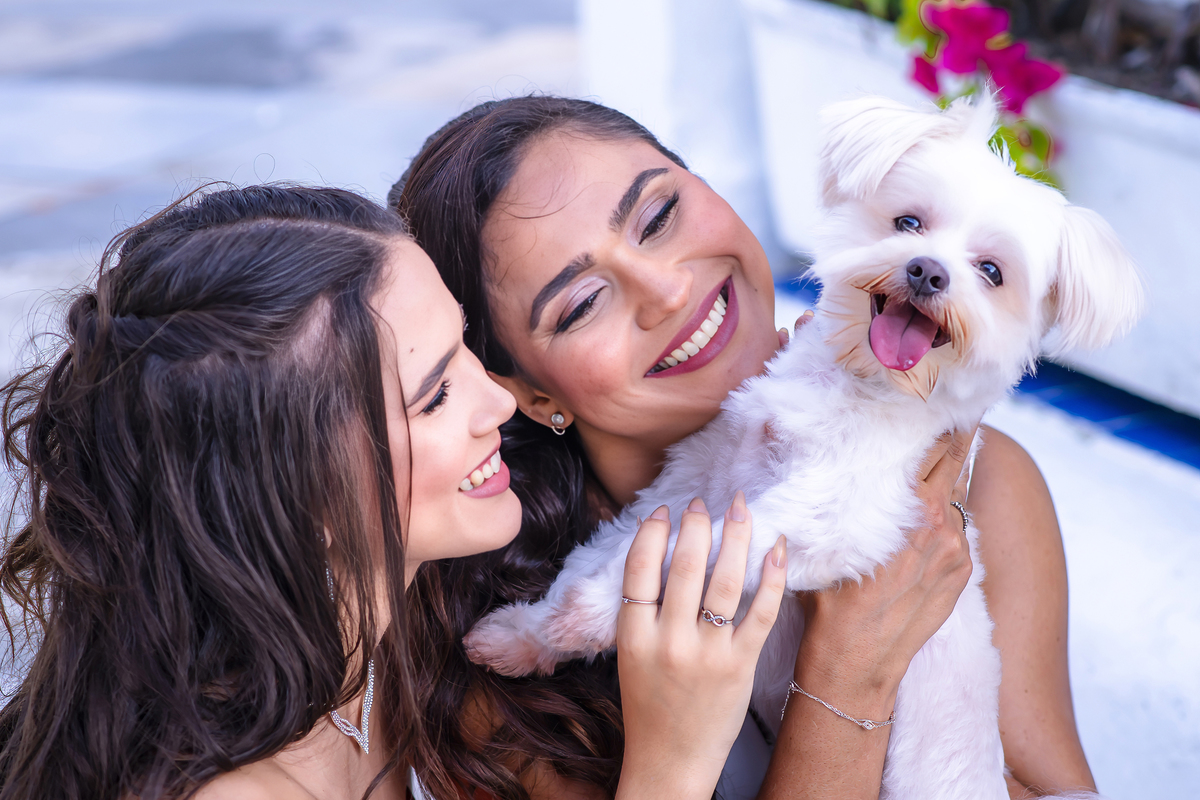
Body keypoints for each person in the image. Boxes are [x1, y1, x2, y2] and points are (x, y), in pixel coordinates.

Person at [390, 97, 1099, 799]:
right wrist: (847, 673)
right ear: (528, 393)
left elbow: (1042, 785)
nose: (666, 289)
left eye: (659, 217)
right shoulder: (491, 682)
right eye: (581, 304)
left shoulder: (979, 485)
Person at [0, 185, 786, 800]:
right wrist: (672, 764)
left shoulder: (389, 649)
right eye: (435, 397)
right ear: (295, 490)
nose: (500, 404)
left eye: (463, 352)